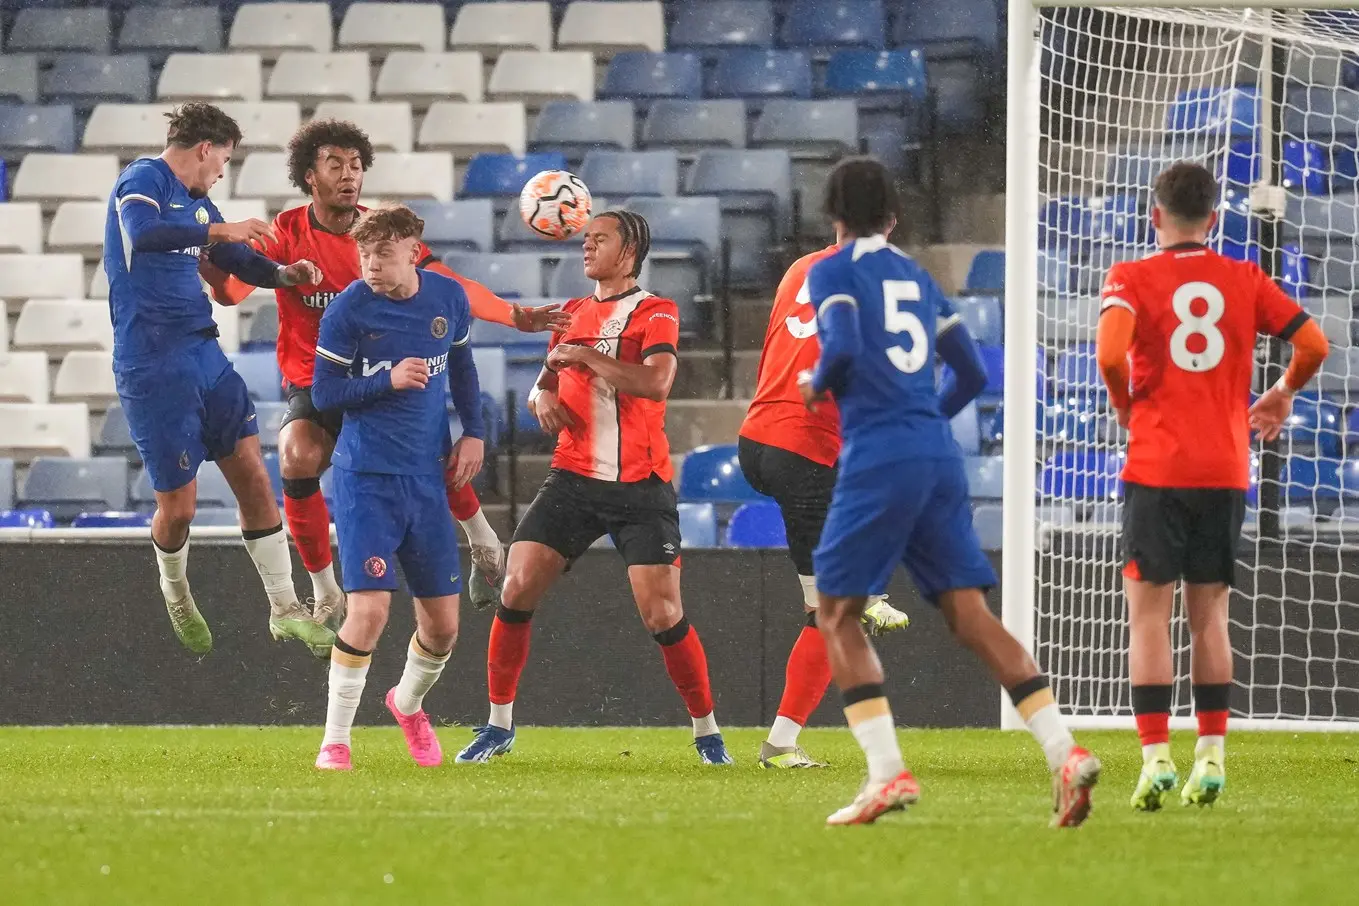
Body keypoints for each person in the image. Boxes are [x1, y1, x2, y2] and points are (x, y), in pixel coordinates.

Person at [800, 157, 1100, 827]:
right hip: (937, 453)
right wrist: (924, 419)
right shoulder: (916, 275)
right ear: (893, 216)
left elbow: (843, 345)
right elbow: (967, 371)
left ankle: (885, 774)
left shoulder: (832, 269)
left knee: (835, 613)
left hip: (878, 453)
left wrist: (817, 383)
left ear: (835, 218)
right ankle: (1063, 751)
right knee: (968, 615)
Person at [202, 119, 569, 626]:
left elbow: (449, 284)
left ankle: (482, 539)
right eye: (336, 165)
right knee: (296, 456)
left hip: (392, 376)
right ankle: (325, 587)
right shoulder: (286, 232)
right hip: (320, 383)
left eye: (356, 166)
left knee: (427, 454)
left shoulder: (380, 234)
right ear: (310, 176)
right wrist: (205, 252)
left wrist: (513, 315)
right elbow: (230, 292)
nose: (349, 175)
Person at [455, 211, 732, 766]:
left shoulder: (657, 311)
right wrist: (543, 400)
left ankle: (708, 734)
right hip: (573, 481)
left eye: (599, 239)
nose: (586, 248)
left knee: (662, 613)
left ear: (629, 251)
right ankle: (498, 726)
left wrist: (586, 356)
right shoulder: (571, 314)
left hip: (640, 486)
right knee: (516, 588)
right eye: (584, 239)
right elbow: (541, 387)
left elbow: (655, 383)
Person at [1096, 161, 1328, 810]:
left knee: (1147, 617)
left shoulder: (1130, 278)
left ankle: (1154, 759)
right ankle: (1211, 756)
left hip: (1156, 467)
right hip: (1225, 469)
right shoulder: (1244, 277)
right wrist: (1280, 394)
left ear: (1154, 216)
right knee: (1210, 618)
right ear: (1215, 220)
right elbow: (1312, 343)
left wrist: (1124, 406)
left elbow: (1110, 355)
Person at [105, 102, 336, 658]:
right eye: (223, 160)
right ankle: (177, 591)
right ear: (206, 149)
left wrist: (284, 275)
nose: (220, 173)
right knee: (178, 509)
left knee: (256, 478)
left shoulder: (199, 205)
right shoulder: (143, 178)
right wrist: (218, 225)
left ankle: (285, 609)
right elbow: (143, 232)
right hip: (152, 363)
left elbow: (233, 255)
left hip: (203, 353)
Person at [310, 205, 485, 770]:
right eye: (364, 254)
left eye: (382, 254)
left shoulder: (447, 299)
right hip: (366, 479)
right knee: (370, 611)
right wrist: (385, 379)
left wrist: (474, 432)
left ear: (413, 248)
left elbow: (462, 369)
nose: (370, 265)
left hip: (427, 479)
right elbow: (323, 396)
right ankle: (335, 740)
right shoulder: (347, 311)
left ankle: (406, 705)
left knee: (444, 627)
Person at [740, 231, 912, 770]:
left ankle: (864, 588)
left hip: (759, 438)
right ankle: (780, 746)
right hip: (805, 447)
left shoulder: (800, 267)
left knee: (827, 608)